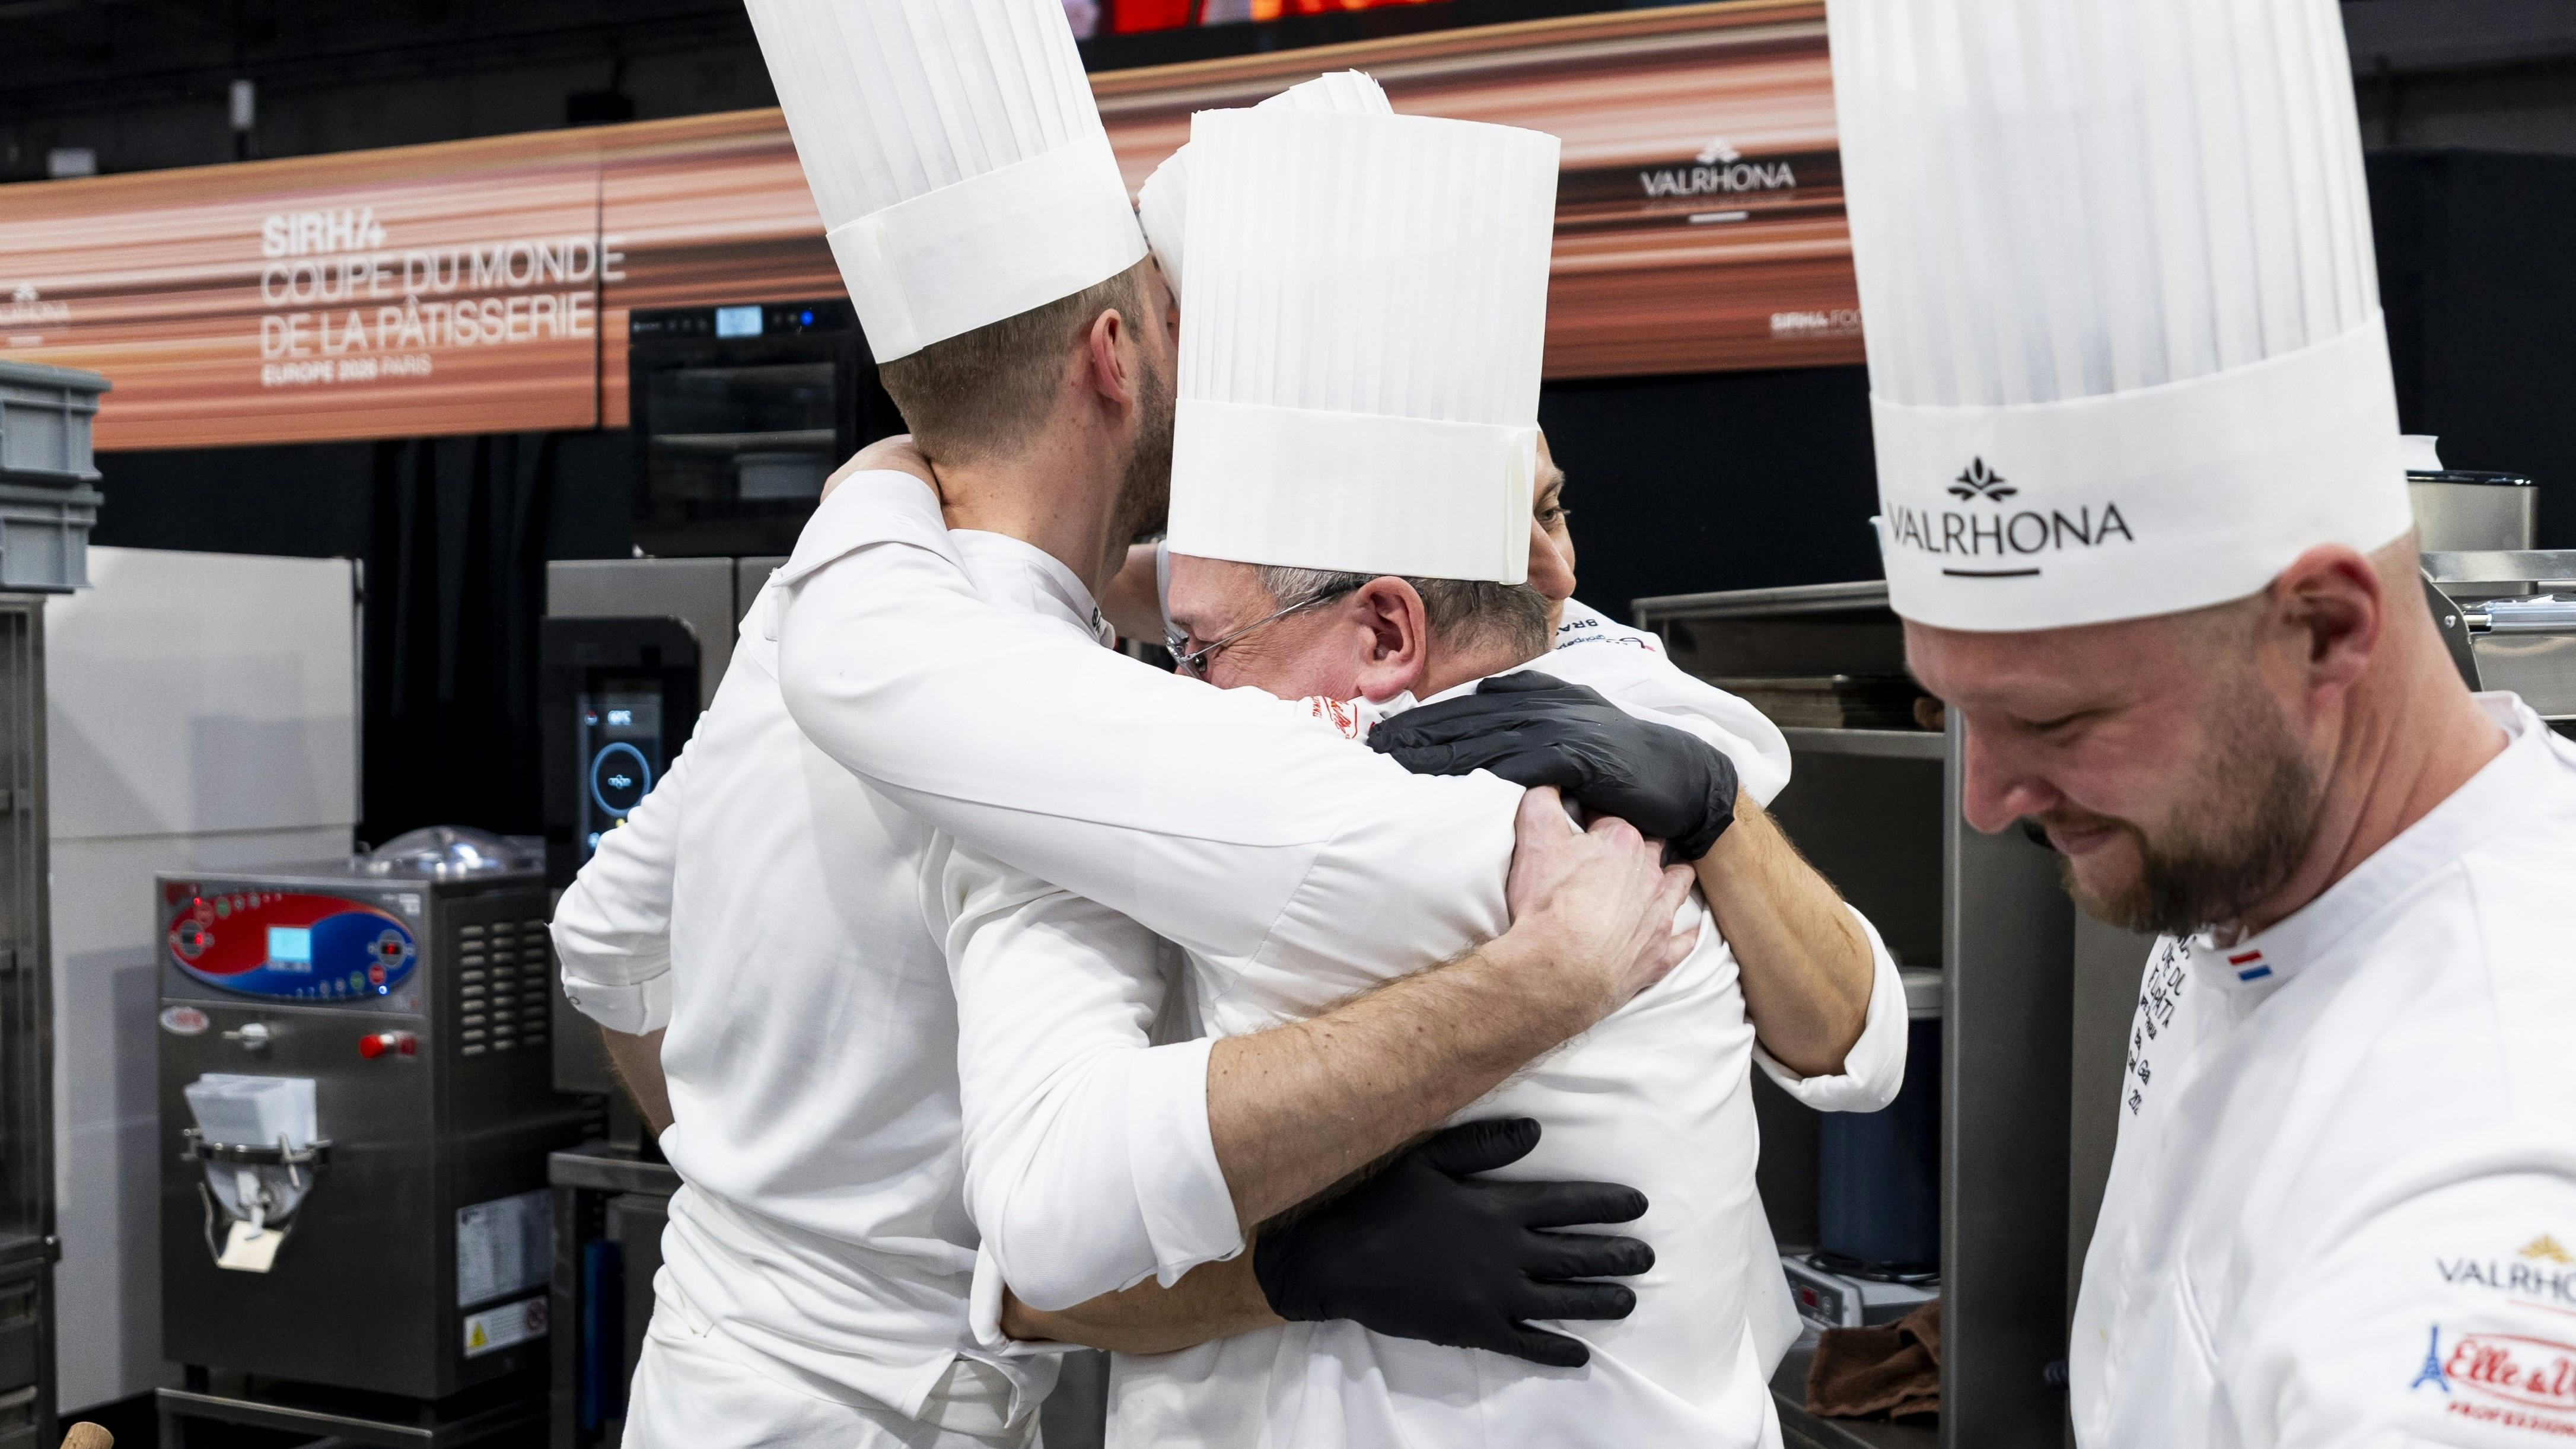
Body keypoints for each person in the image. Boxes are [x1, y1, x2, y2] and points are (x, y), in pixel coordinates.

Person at [553, 8, 1744, 1447]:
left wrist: (766, 1218)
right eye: (1179, 320)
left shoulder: (817, 594)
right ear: (1115, 356)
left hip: (696, 1379)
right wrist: (1563, 951)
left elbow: (603, 941)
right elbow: (1062, 1204)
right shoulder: (1046, 734)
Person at [785, 97, 1904, 1447]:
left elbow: (1038, 1255)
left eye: (1549, 511)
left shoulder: (1326, 790)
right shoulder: (1599, 738)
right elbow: (1865, 1029)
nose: (1553, 573)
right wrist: (1697, 834)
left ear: (1386, 631)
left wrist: (905, 472)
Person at [1827, 0, 2576, 1444]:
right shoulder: (2250, 868)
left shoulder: (2485, 1176)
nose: (1985, 798)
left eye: (2054, 717)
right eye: (1949, 710)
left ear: (2327, 629)